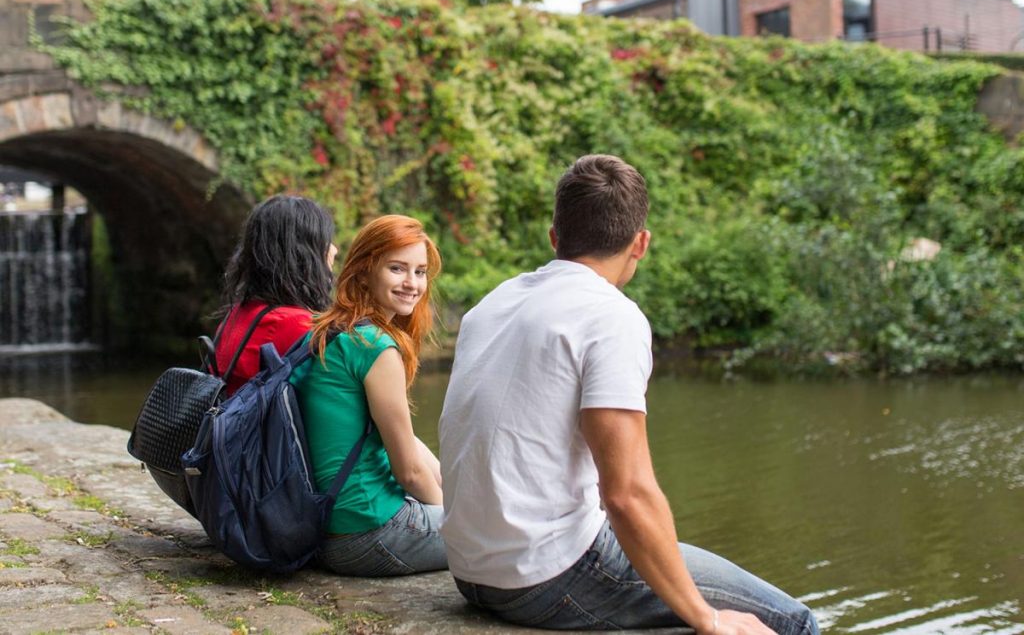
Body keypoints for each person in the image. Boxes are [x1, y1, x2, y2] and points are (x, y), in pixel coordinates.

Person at [438, 155, 819, 634]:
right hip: (544, 573)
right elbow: (627, 494)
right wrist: (708, 618)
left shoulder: (492, 304)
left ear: (555, 236)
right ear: (641, 243)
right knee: (792, 621)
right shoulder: (610, 317)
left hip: (470, 570)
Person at [289, 214, 448, 577]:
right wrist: (456, 522)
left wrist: (451, 492)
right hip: (368, 533)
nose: (412, 283)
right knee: (504, 540)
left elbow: (409, 446)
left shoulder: (329, 330)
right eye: (397, 268)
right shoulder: (375, 346)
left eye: (420, 272)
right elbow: (408, 472)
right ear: (363, 271)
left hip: (324, 528)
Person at [213, 194, 337, 394]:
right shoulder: (299, 325)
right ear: (304, 255)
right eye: (324, 241)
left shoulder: (238, 314)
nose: (334, 249)